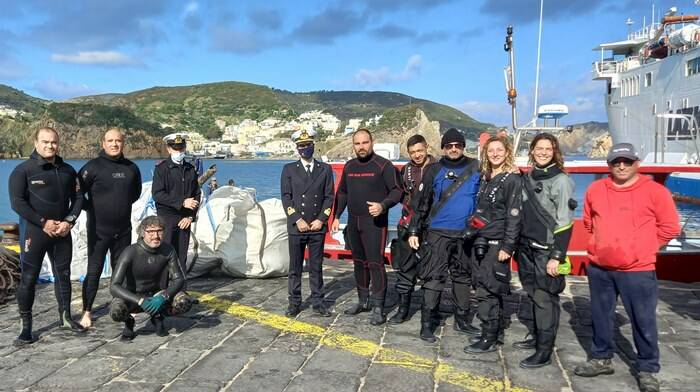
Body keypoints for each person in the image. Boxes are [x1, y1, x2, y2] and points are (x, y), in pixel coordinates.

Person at [574, 143, 680, 392]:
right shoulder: (595, 189)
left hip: (638, 270)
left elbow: (670, 227)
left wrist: (645, 248)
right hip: (600, 268)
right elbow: (590, 222)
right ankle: (601, 358)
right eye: (616, 162)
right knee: (600, 317)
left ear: (637, 164)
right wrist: (600, 246)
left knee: (643, 321)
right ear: (609, 164)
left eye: (627, 161)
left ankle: (647, 368)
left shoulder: (655, 192)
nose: (621, 166)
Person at [9, 127, 86, 345]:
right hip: (35, 233)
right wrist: (42, 223)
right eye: (45, 142)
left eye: (53, 142)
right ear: (36, 143)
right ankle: (26, 328)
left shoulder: (68, 171)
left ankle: (66, 318)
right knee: (29, 279)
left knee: (63, 274)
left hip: (62, 231)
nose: (50, 146)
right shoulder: (22, 171)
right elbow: (17, 203)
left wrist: (69, 221)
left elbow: (79, 199)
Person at [408, 128, 481, 343]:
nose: (454, 149)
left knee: (462, 278)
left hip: (465, 234)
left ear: (463, 147)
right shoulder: (434, 170)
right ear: (443, 148)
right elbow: (421, 203)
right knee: (434, 278)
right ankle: (427, 324)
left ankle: (463, 320)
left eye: (457, 145)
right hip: (438, 233)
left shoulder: (476, 167)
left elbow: (485, 199)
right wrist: (414, 230)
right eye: (449, 146)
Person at [514, 132, 576, 368]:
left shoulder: (561, 180)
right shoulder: (529, 177)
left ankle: (544, 350)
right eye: (539, 149)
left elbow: (565, 221)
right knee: (532, 293)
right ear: (532, 151)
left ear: (555, 152)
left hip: (546, 251)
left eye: (548, 149)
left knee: (545, 298)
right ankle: (538, 337)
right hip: (527, 248)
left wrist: (556, 256)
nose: (542, 153)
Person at [331, 128, 402, 325]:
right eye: (357, 143)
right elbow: (343, 192)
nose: (361, 147)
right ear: (353, 145)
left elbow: (397, 191)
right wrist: (337, 215)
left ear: (372, 142)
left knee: (375, 263)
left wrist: (383, 205)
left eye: (365, 142)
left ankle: (379, 306)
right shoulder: (350, 166)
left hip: (375, 223)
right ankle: (363, 301)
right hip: (354, 221)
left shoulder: (383, 165)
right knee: (358, 263)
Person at [78, 128, 142, 328]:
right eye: (110, 140)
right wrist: (92, 209)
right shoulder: (92, 167)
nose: (114, 144)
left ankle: (124, 305)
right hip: (98, 230)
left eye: (118, 141)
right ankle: (87, 311)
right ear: (103, 143)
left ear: (123, 143)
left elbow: (135, 194)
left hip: (123, 229)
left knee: (122, 270)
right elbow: (78, 194)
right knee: (94, 270)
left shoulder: (132, 168)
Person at [464, 136, 522, 353]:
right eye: (491, 151)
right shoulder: (486, 177)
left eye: (499, 150)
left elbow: (514, 216)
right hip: (481, 240)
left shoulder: (512, 180)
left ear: (507, 152)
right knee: (482, 286)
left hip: (497, 243)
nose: (495, 154)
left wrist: (508, 247)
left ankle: (489, 337)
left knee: (488, 289)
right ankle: (492, 331)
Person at [280, 129, 335, 317]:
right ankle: (294, 302)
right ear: (297, 148)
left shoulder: (325, 169)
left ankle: (318, 301)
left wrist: (321, 219)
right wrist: (297, 219)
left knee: (316, 266)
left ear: (313, 146)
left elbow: (329, 197)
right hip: (298, 227)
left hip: (316, 227)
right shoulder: (288, 169)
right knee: (295, 267)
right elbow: (286, 198)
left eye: (308, 145)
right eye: (301, 146)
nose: (305, 148)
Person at [109, 216, 188, 340]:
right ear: (142, 233)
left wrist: (163, 296)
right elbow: (114, 286)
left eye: (159, 231)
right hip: (133, 297)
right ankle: (128, 321)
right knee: (116, 311)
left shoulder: (168, 250)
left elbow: (179, 279)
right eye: (150, 232)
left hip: (156, 294)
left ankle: (158, 316)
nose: (155, 236)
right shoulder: (130, 252)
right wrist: (140, 301)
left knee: (184, 302)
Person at [388, 134, 435, 324]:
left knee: (431, 271)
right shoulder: (405, 170)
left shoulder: (438, 168)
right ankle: (403, 309)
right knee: (405, 269)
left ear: (427, 148)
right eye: (413, 152)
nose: (417, 155)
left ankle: (430, 311)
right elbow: (396, 192)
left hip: (431, 227)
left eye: (420, 151)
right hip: (407, 226)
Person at [152, 132, 201, 282]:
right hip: (167, 218)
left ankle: (181, 292)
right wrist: (181, 202)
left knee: (182, 257)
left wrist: (190, 216)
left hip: (184, 219)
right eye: (175, 149)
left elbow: (197, 195)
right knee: (165, 256)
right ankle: (162, 290)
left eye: (181, 148)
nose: (179, 152)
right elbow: (158, 194)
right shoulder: (162, 169)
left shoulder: (190, 169)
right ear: (168, 149)